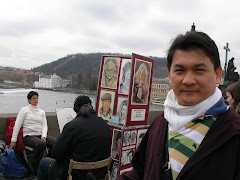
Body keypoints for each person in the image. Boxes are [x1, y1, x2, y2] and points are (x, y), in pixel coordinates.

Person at [118, 31, 240, 180]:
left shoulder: (234, 132)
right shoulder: (160, 122)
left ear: (217, 75)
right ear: (169, 75)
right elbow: (140, 173)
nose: (188, 80)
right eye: (180, 70)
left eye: (199, 70)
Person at [37, 95, 111, 180]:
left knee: (44, 162)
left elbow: (56, 153)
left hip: (77, 174)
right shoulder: (104, 124)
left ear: (77, 110)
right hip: (99, 173)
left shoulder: (73, 126)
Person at [9, 91, 55, 174]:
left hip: (39, 135)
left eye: (37, 98)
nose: (36, 100)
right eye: (34, 98)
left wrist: (44, 136)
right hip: (28, 136)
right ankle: (35, 167)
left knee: (56, 142)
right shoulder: (24, 110)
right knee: (41, 144)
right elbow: (17, 125)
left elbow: (44, 125)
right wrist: (13, 140)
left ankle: (47, 161)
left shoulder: (41, 112)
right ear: (29, 100)